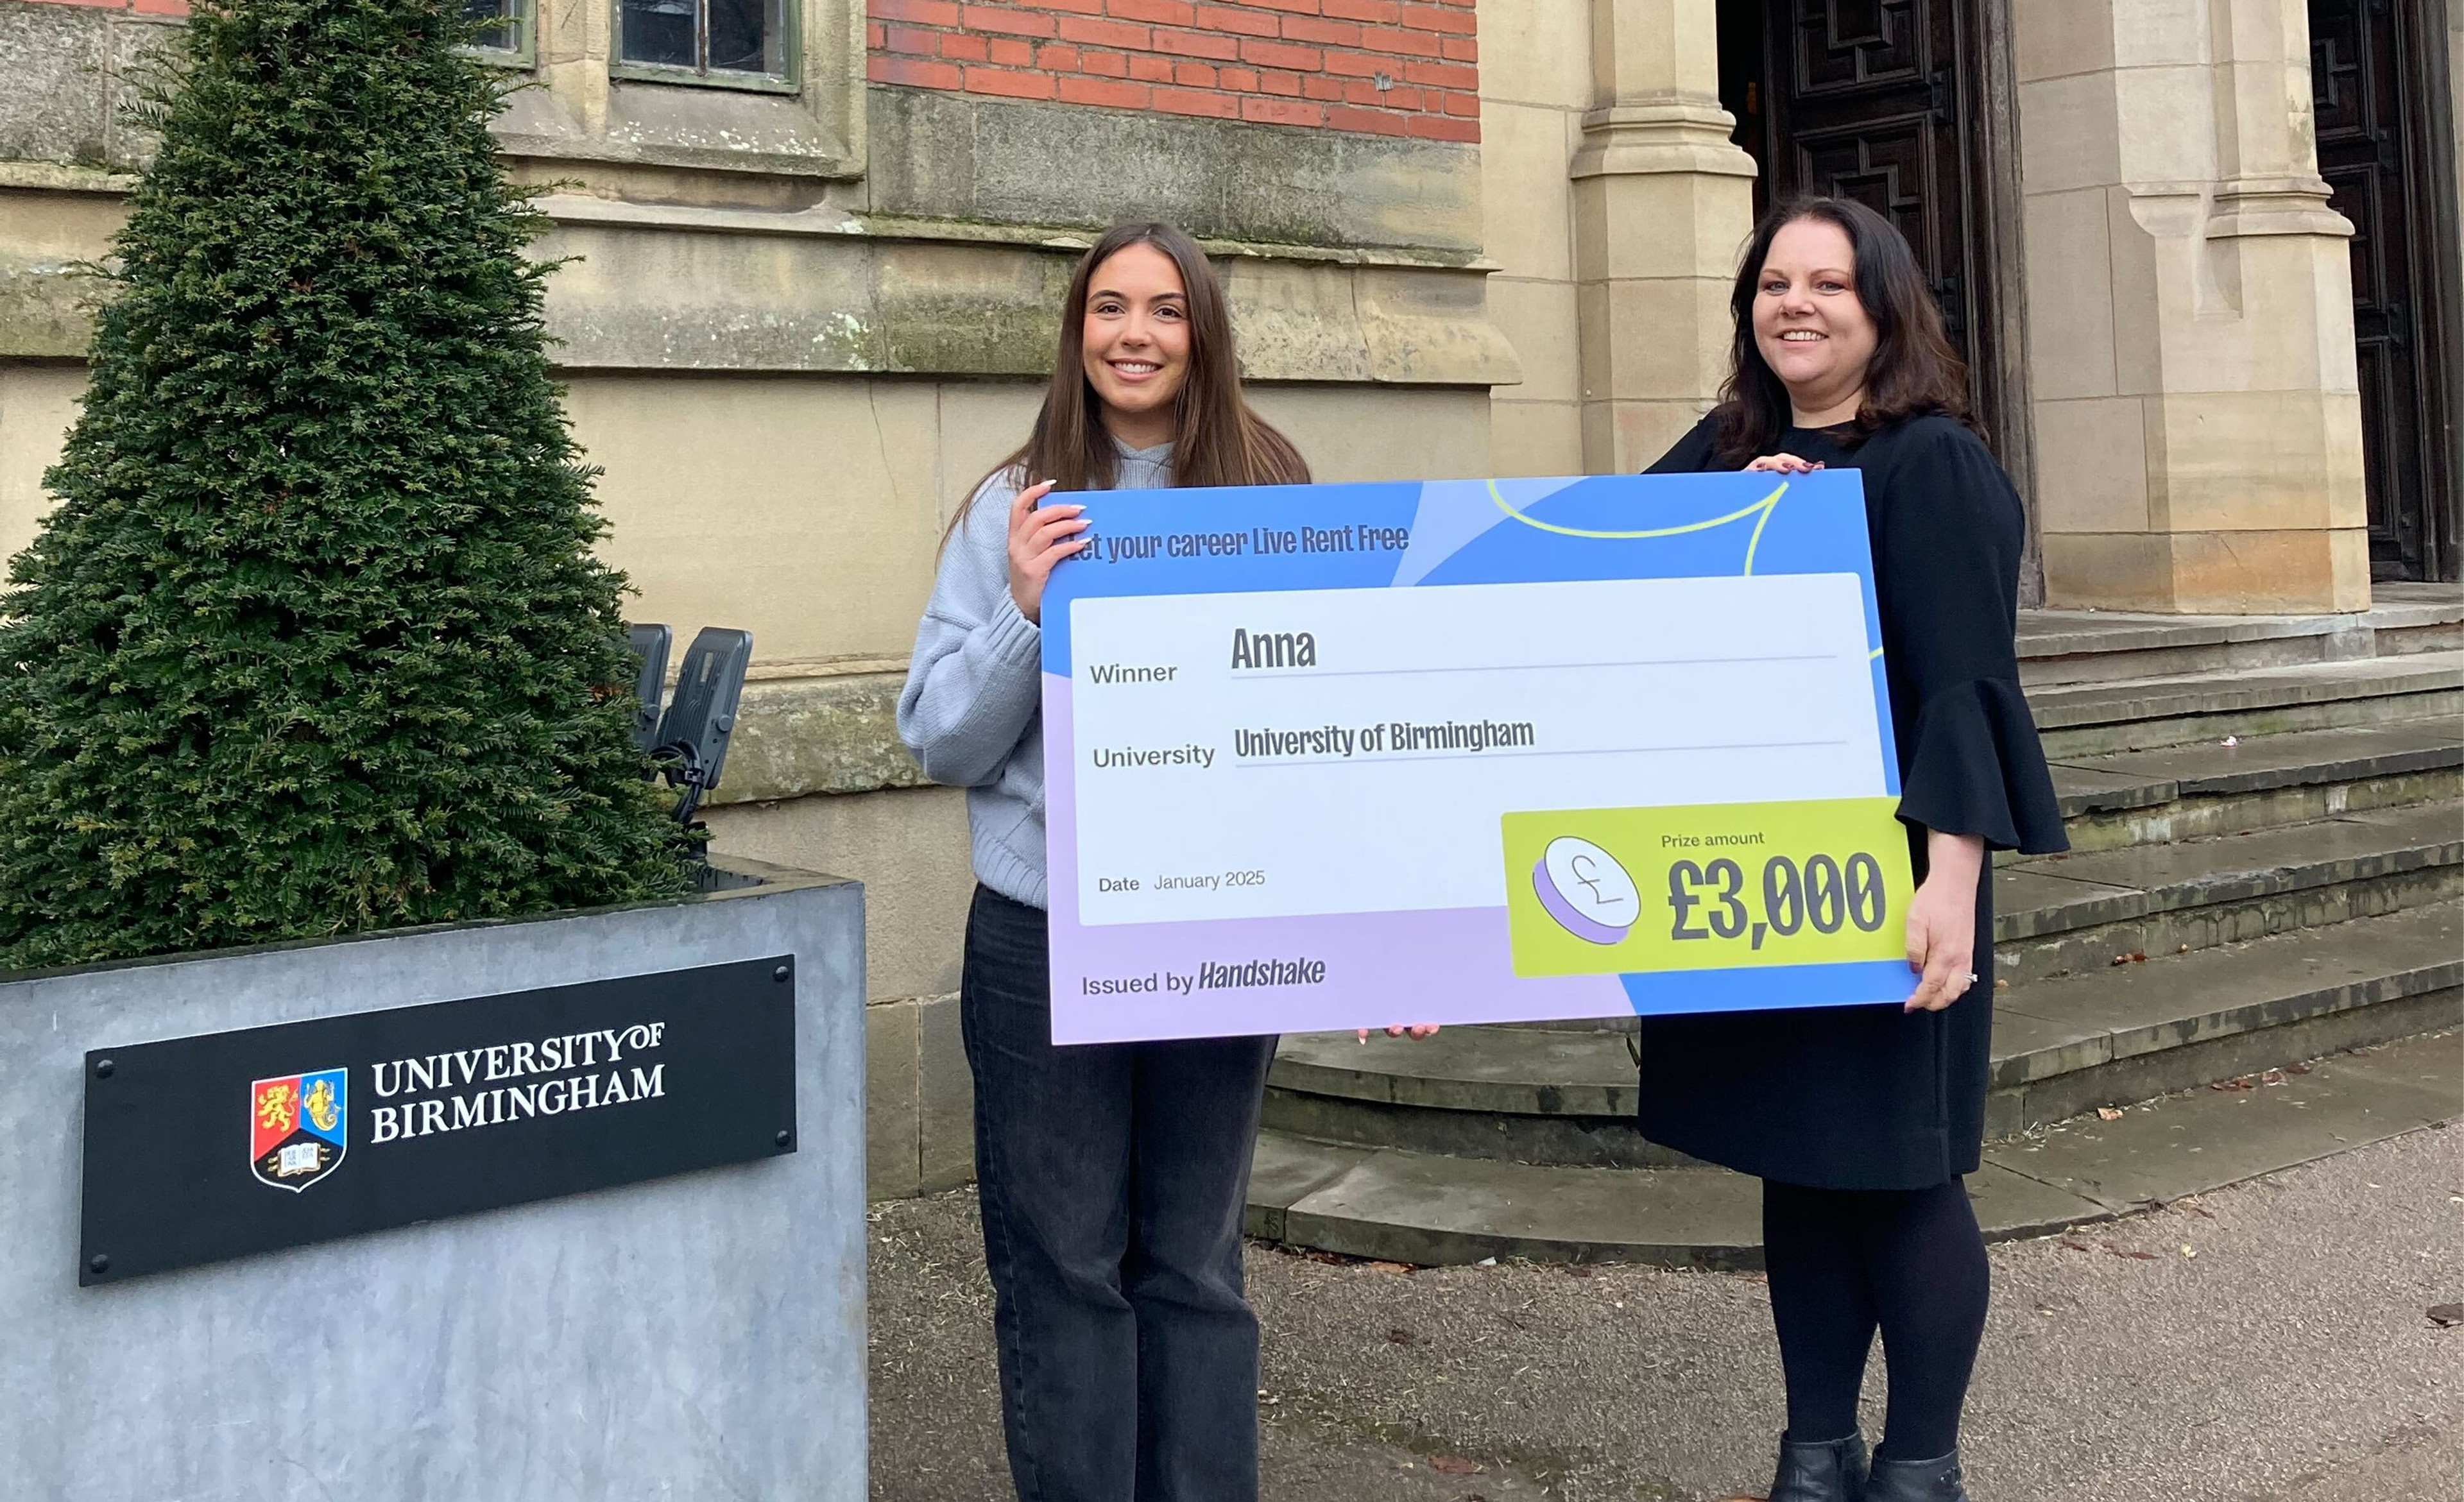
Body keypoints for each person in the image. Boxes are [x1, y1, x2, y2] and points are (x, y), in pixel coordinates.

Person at [897, 221, 1432, 1502]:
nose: (1133, 334)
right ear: (1077, 333)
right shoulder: (1013, 505)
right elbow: (938, 738)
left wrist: (1373, 938)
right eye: (1108, 308)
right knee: (1064, 1265)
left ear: (1204, 336)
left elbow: (1332, 733)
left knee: (1191, 1265)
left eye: (1164, 310)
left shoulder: (1271, 494)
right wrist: (1025, 615)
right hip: (1046, 939)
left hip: (1219, 938)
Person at [1632, 196, 2067, 1502]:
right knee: (1803, 1160)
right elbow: (1599, 576)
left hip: (1891, 879)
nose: (1796, 306)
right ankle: (1814, 1452)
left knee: (1902, 1167)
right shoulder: (1723, 452)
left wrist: (1952, 880)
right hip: (1754, 876)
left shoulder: (1933, 464)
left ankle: (1920, 1465)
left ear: (1884, 307)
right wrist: (1724, 527)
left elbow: (1964, 690)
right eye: (1774, 284)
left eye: (1828, 283)